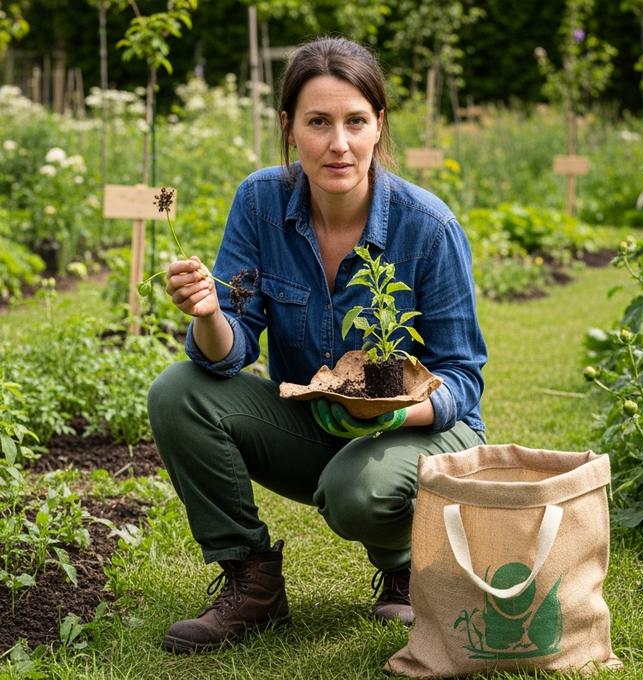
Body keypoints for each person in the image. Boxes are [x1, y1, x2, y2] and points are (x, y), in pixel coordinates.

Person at [146, 36, 487, 654]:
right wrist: (206, 313)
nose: (339, 144)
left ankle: (408, 564)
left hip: (425, 431)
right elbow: (230, 349)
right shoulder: (259, 202)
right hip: (319, 423)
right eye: (319, 122)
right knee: (178, 392)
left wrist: (385, 411)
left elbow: (463, 377)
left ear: (379, 126)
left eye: (356, 121)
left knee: (359, 490)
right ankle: (251, 580)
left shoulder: (427, 226)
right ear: (289, 127)